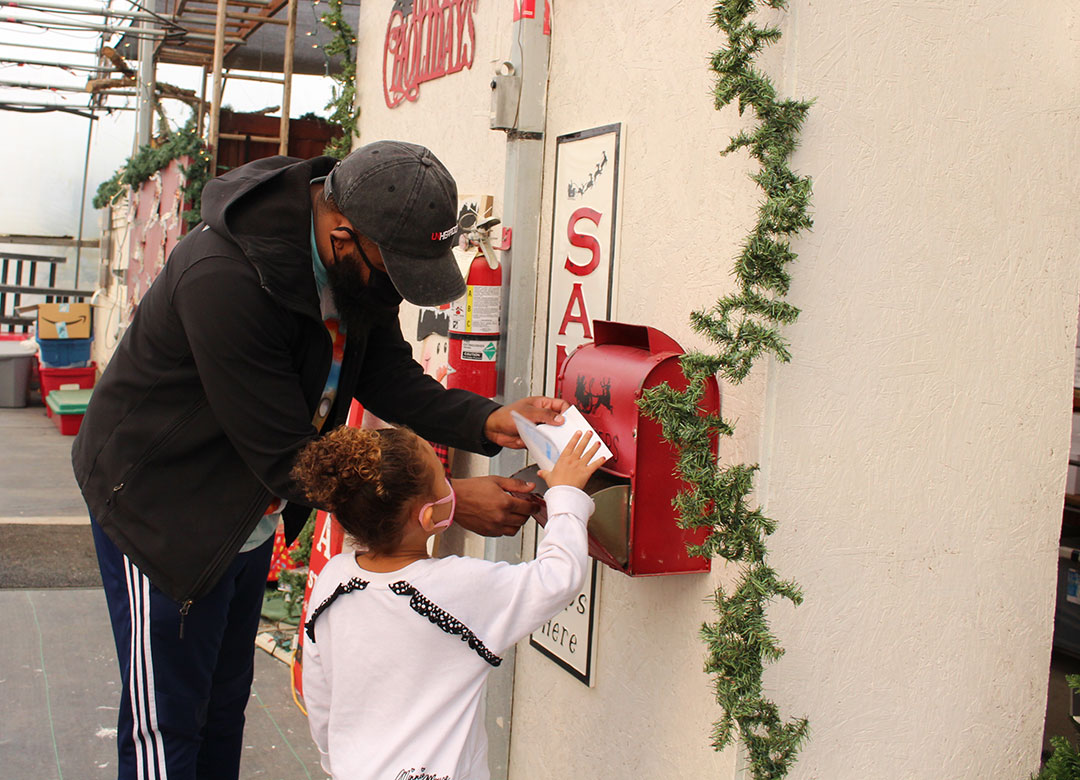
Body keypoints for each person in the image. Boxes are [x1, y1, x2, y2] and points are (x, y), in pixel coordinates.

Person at [72, 140, 568, 780]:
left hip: (243, 514)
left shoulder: (355, 261)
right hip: (163, 510)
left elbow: (385, 373)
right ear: (341, 234)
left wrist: (487, 419)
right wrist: (445, 505)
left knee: (222, 709)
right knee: (166, 726)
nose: (394, 287)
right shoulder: (224, 279)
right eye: (392, 271)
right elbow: (289, 457)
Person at [297, 425, 604, 780]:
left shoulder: (333, 579)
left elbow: (320, 693)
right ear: (431, 516)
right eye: (443, 478)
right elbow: (556, 579)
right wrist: (566, 496)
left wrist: (334, 763)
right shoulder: (456, 588)